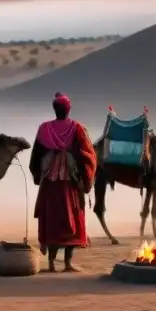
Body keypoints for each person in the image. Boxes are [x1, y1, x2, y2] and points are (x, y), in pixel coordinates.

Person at [29, 92, 97, 272]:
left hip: (50, 182)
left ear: (55, 109)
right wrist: (85, 177)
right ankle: (67, 263)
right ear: (68, 109)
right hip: (70, 182)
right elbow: (88, 155)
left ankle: (51, 264)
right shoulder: (77, 128)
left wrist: (37, 174)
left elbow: (35, 156)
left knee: (52, 220)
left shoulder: (44, 129)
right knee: (72, 218)